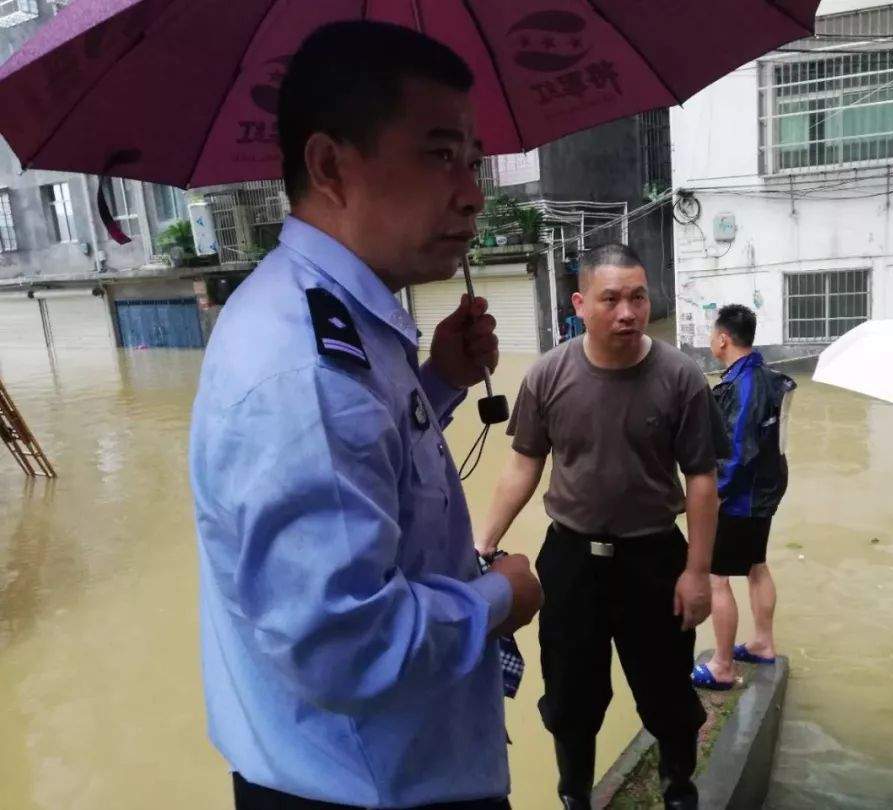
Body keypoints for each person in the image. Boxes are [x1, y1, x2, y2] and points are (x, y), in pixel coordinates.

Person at [190, 22, 543, 810]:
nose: (474, 192)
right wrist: (500, 601)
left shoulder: (342, 322)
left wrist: (441, 381)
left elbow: (375, 463)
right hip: (367, 791)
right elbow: (345, 644)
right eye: (439, 154)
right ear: (329, 166)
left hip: (397, 769)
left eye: (473, 160)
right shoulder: (305, 363)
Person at [476, 244, 717, 810]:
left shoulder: (681, 377)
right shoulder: (548, 375)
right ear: (581, 303)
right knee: (570, 697)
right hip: (572, 560)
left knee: (668, 694)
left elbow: (702, 479)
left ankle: (679, 791)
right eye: (611, 299)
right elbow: (524, 463)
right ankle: (574, 797)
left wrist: (698, 572)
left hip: (656, 559)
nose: (628, 312)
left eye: (638, 297)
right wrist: (482, 542)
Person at [693, 305, 795, 690]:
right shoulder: (768, 376)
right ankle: (762, 643)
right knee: (756, 566)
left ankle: (721, 666)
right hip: (763, 492)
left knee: (718, 578)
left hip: (741, 496)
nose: (710, 341)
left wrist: (715, 496)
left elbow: (738, 447)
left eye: (712, 334)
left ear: (723, 338)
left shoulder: (742, 385)